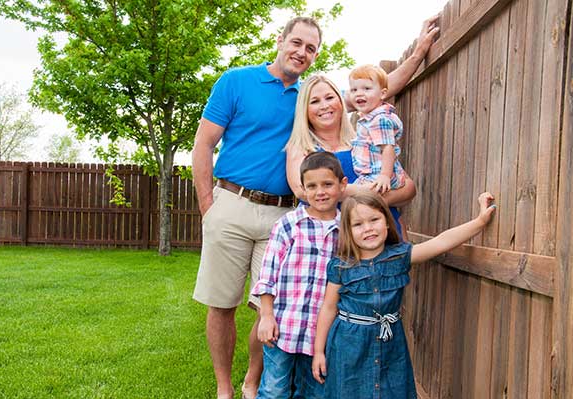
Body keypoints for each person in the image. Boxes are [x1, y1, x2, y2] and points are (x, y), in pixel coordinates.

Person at [192, 14, 440, 399]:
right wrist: (210, 207)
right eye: (297, 43)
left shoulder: (340, 119)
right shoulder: (242, 85)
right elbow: (206, 144)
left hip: (318, 225)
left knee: (285, 308)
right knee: (227, 303)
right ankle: (230, 389)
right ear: (280, 40)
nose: (302, 52)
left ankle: (261, 381)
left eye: (310, 48)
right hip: (240, 205)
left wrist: (422, 50)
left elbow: (378, 90)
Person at [311, 191, 497, 398]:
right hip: (349, 345)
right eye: (358, 224)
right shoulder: (340, 266)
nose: (368, 228)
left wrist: (479, 222)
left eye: (374, 219)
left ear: (387, 223)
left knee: (393, 390)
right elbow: (328, 308)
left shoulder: (400, 256)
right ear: (348, 230)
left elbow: (442, 242)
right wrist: (319, 352)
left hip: (391, 342)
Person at [251, 151, 346, 398]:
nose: (320, 192)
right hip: (283, 327)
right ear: (302, 190)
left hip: (321, 333)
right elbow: (268, 272)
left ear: (342, 185)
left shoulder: (346, 229)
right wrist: (267, 316)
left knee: (315, 391)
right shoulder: (289, 224)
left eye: (327, 184)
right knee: (274, 390)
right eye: (312, 186)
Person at [285, 74, 413, 239]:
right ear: (305, 109)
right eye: (315, 101)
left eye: (329, 98)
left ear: (341, 102)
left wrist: (380, 199)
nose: (324, 105)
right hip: (330, 236)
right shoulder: (301, 148)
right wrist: (369, 195)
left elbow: (408, 187)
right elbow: (302, 191)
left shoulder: (363, 141)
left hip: (380, 234)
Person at [348, 64, 406, 193]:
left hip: (378, 176)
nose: (359, 94)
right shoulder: (369, 118)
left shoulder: (379, 119)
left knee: (349, 193)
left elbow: (387, 148)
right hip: (371, 174)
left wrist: (385, 175)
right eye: (354, 90)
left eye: (367, 88)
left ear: (383, 93)